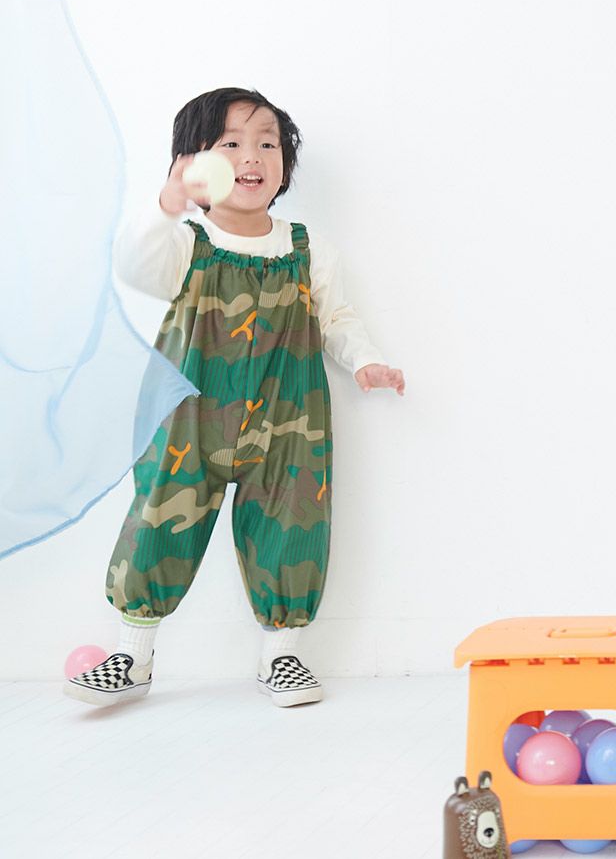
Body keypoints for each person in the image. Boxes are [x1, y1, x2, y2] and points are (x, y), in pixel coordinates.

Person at [64, 87, 404, 708]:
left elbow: (337, 317)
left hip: (289, 420)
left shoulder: (306, 249)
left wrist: (366, 361)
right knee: (159, 520)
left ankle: (283, 654)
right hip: (188, 418)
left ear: (284, 164)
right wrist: (166, 207)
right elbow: (134, 266)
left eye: (267, 143)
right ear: (195, 163)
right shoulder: (186, 243)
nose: (252, 156)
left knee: (293, 524)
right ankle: (133, 655)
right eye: (231, 143)